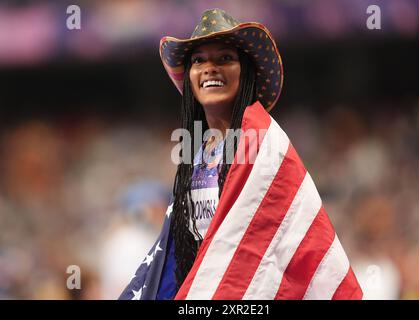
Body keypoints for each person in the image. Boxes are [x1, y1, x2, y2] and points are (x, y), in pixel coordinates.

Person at [119, 8, 362, 300]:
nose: (209, 67)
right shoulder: (194, 158)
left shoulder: (265, 148)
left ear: (244, 72)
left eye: (225, 58)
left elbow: (281, 252)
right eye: (198, 60)